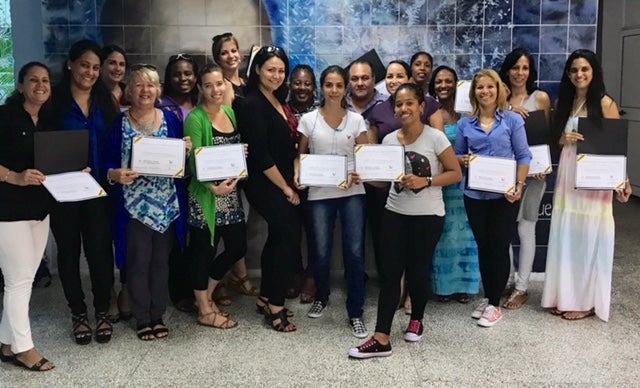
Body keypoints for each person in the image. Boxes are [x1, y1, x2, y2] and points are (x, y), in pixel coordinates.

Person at [348, 83, 461, 358]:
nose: (404, 108)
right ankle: (381, 337)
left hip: (428, 217)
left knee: (418, 273)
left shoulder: (436, 138)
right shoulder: (388, 141)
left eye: (410, 103)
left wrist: (427, 180)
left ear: (421, 107)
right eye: (399, 104)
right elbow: (383, 181)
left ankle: (417, 319)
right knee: (390, 275)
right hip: (394, 214)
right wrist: (363, 178)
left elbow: (455, 173)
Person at [541, 49, 631, 322]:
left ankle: (587, 301)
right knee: (568, 236)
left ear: (594, 72)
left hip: (594, 181)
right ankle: (564, 296)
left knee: (590, 237)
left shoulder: (605, 104)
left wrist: (621, 181)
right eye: (574, 70)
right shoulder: (564, 102)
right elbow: (556, 141)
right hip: (569, 176)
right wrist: (563, 139)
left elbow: (615, 147)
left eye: (584, 69)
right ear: (568, 74)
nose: (579, 74)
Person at [105, 64, 191, 340]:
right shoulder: (117, 123)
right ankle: (143, 317)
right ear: (129, 91)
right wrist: (114, 174)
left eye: (151, 85)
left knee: (161, 263)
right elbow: (103, 162)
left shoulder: (171, 119)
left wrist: (184, 150)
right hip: (133, 206)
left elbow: (181, 165)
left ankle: (158, 314)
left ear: (158, 90)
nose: (145, 90)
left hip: (166, 203)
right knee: (138, 262)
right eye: (139, 85)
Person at [51, 39, 119, 345]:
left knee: (100, 254)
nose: (90, 72)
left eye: (95, 67)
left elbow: (115, 144)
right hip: (63, 193)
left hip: (99, 191)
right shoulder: (54, 102)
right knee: (68, 254)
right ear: (70, 65)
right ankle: (77, 312)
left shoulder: (105, 102)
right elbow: (44, 147)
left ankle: (102, 309)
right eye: (84, 65)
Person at [294, 65, 369, 338]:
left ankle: (356, 311)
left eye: (339, 85)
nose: (334, 90)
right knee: (322, 252)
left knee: (355, 253)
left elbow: (365, 156)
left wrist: (359, 173)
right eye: (329, 85)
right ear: (321, 88)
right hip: (320, 193)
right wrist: (297, 171)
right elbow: (299, 155)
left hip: (352, 193)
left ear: (344, 88)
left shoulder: (357, 120)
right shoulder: (308, 120)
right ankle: (322, 296)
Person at [454, 69, 532, 328]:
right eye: (479, 88)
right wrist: (462, 160)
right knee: (484, 246)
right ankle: (490, 297)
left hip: (504, 196)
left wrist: (519, 185)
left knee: (499, 247)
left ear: (498, 89)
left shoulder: (512, 121)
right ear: (473, 92)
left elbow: (523, 156)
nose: (485, 91)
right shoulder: (466, 123)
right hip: (474, 194)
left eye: (490, 87)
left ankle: (495, 305)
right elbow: (457, 156)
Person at [367, 60, 443, 312]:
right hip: (393, 202)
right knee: (392, 261)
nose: (394, 80)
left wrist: (427, 181)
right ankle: (392, 304)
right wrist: (363, 175)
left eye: (400, 75)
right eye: (389, 76)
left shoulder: (432, 123)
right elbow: (375, 166)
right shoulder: (380, 120)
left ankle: (415, 308)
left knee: (418, 263)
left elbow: (450, 170)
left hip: (425, 205)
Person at [234, 46, 300, 332]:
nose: (276, 75)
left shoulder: (275, 99)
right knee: (287, 238)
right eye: (270, 69)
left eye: (281, 70)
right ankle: (275, 307)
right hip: (265, 182)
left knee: (278, 238)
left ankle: (264, 296)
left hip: (282, 178)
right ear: (257, 70)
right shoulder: (250, 103)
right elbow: (260, 155)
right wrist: (286, 188)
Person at [0, 62, 56, 371]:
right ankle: (24, 348)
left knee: (25, 279)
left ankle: (7, 343)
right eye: (33, 80)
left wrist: (76, 170)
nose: (40, 85)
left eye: (45, 80)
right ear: (20, 85)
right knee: (18, 280)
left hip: (39, 210)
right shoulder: (4, 116)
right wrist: (14, 177)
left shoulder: (49, 119)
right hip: (8, 211)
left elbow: (56, 160)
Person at [184, 64, 244, 329]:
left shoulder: (230, 112)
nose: (215, 89)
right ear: (200, 88)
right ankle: (205, 310)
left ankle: (205, 297)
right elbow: (194, 158)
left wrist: (242, 154)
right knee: (203, 251)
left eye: (219, 83)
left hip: (230, 195)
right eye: (208, 85)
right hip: (205, 195)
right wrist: (212, 188)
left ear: (225, 85)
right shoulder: (195, 118)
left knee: (237, 247)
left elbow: (230, 152)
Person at [498, 48, 552, 310]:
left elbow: (546, 137)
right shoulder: (498, 98)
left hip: (534, 174)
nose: (520, 73)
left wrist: (545, 166)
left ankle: (522, 287)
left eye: (525, 68)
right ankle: (507, 280)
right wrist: (508, 110)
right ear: (507, 70)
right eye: (515, 67)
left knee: (526, 228)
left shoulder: (539, 98)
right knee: (505, 229)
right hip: (504, 173)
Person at [428, 65, 480, 304]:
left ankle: (466, 286)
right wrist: (459, 160)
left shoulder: (470, 113)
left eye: (449, 81)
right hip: (445, 184)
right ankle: (443, 287)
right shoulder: (433, 113)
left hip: (470, 184)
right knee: (445, 235)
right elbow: (440, 149)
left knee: (468, 234)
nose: (443, 86)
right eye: (439, 81)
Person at [101, 43, 132, 323]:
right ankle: (107, 293)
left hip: (127, 181)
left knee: (124, 238)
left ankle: (125, 289)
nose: (117, 68)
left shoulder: (130, 95)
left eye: (121, 64)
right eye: (111, 63)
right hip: (99, 174)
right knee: (103, 240)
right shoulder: (94, 96)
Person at [286, 64, 319, 303]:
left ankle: (312, 276)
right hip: (287, 182)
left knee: (316, 232)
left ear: (314, 87)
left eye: (307, 83)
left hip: (318, 182)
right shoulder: (282, 109)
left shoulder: (321, 111)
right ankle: (295, 273)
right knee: (290, 232)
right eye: (297, 82)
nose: (302, 87)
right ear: (290, 84)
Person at [212, 32, 245, 105]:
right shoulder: (223, 86)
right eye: (224, 53)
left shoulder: (245, 82)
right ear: (217, 59)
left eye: (233, 51)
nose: (230, 56)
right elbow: (225, 116)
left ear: (239, 53)